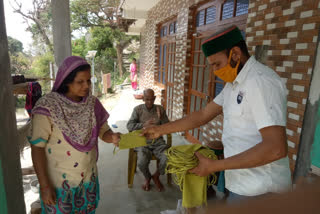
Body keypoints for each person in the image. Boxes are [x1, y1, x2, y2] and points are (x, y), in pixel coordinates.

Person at [142, 25, 292, 202]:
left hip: (263, 191)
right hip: (241, 185)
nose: (214, 71)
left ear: (235, 54)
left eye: (217, 64)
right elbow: (203, 115)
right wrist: (161, 130)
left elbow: (276, 148)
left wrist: (214, 166)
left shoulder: (261, 82)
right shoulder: (233, 84)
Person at [28, 56, 121, 213]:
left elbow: (103, 130)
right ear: (66, 81)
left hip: (87, 180)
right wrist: (44, 186)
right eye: (80, 82)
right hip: (59, 184)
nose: (86, 86)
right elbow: (37, 148)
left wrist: (111, 137)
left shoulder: (92, 104)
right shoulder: (49, 107)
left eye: (89, 81)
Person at [127, 89, 169, 192]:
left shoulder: (160, 109)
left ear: (154, 98)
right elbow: (129, 126)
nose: (149, 102)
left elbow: (168, 126)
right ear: (143, 99)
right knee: (141, 162)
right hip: (142, 142)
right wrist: (143, 125)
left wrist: (160, 120)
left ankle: (156, 176)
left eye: (151, 99)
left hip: (158, 142)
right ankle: (147, 177)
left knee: (168, 157)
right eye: (147, 99)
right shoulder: (138, 110)